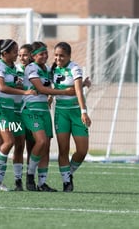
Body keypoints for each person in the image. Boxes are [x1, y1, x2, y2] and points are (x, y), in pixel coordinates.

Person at [22, 41, 76, 192]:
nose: (45, 56)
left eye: (46, 53)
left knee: (45, 147)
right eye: (41, 54)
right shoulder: (31, 68)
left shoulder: (47, 68)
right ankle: (30, 175)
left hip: (44, 111)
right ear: (33, 56)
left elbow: (59, 83)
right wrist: (65, 93)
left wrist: (82, 84)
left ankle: (42, 183)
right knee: (41, 141)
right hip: (31, 110)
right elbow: (40, 88)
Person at [0, 39, 36, 191]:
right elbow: (2, 87)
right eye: (15, 52)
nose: (17, 55)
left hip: (10, 109)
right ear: (5, 53)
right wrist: (24, 91)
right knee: (8, 142)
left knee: (8, 144)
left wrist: (20, 85)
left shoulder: (13, 67)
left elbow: (14, 84)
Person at [52, 41, 92, 192]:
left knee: (82, 150)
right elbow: (49, 86)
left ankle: (68, 172)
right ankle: (66, 182)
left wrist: (83, 111)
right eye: (56, 55)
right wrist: (50, 96)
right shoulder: (52, 69)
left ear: (69, 56)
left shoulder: (75, 68)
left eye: (62, 56)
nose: (58, 58)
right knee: (63, 149)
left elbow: (77, 91)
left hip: (76, 112)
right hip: (61, 113)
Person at [11, 43, 33, 191]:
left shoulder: (36, 70)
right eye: (19, 55)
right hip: (17, 112)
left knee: (32, 146)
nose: (21, 58)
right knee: (19, 145)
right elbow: (11, 87)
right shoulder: (15, 70)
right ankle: (17, 180)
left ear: (31, 55)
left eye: (25, 55)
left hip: (32, 112)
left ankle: (30, 179)